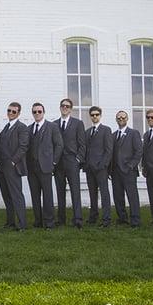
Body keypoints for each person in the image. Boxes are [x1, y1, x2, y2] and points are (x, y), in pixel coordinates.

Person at [26, 102, 63, 229]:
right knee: (35, 195)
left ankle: (49, 222)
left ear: (43, 112)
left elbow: (59, 145)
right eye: (34, 112)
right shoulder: (29, 128)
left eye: (39, 111)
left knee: (47, 195)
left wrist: (54, 162)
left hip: (46, 166)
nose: (37, 114)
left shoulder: (52, 127)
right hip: (32, 167)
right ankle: (38, 221)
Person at [53, 98, 86, 228]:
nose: (64, 108)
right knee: (60, 191)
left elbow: (82, 144)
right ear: (60, 107)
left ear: (71, 109)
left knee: (75, 191)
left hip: (72, 161)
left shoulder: (78, 123)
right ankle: (61, 219)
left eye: (67, 106)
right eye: (62, 106)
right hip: (59, 162)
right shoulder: (54, 124)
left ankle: (77, 219)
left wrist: (78, 160)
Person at [0, 102, 29, 231]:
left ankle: (22, 224)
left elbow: (23, 147)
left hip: (13, 166)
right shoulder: (6, 127)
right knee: (6, 195)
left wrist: (13, 162)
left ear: (19, 113)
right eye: (9, 110)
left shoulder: (22, 127)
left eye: (14, 112)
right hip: (2, 167)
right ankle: (10, 222)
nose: (10, 113)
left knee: (16, 195)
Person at [110, 111, 142, 227]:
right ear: (116, 119)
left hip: (129, 170)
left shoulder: (133, 133)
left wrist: (131, 165)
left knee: (132, 196)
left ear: (127, 118)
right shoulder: (113, 135)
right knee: (118, 196)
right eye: (119, 118)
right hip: (115, 171)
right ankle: (122, 218)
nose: (121, 119)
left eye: (123, 117)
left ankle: (135, 220)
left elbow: (139, 151)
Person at [84, 106, 113, 227]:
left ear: (100, 115)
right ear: (90, 116)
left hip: (101, 168)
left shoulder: (106, 130)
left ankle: (106, 219)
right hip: (89, 168)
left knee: (104, 193)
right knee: (92, 193)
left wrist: (103, 165)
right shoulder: (88, 131)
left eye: (96, 115)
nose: (94, 117)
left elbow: (109, 149)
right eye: (92, 115)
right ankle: (93, 216)